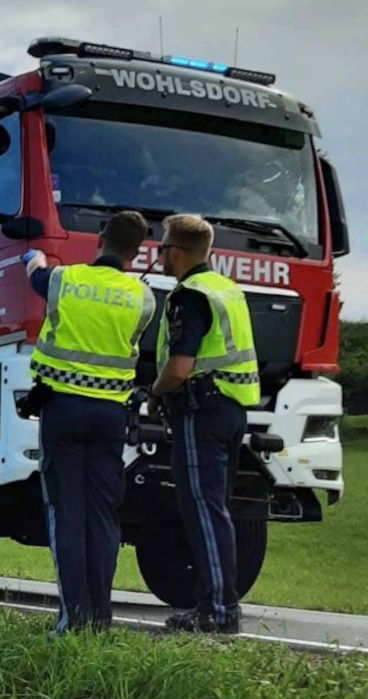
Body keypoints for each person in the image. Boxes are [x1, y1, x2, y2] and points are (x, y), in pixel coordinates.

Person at [26, 210, 157, 633]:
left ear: (101, 238)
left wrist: (33, 258)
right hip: (110, 417)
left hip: (62, 411)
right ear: (137, 251)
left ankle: (73, 619)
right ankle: (101, 619)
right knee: (102, 516)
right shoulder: (143, 298)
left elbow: (37, 278)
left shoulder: (65, 280)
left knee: (67, 513)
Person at [150, 214, 260, 634]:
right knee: (217, 508)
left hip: (202, 410)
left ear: (177, 252)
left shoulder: (190, 295)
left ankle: (216, 610)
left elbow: (180, 368)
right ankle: (220, 605)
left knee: (202, 508)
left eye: (163, 247)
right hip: (232, 408)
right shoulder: (227, 289)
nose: (159, 254)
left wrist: (156, 392)